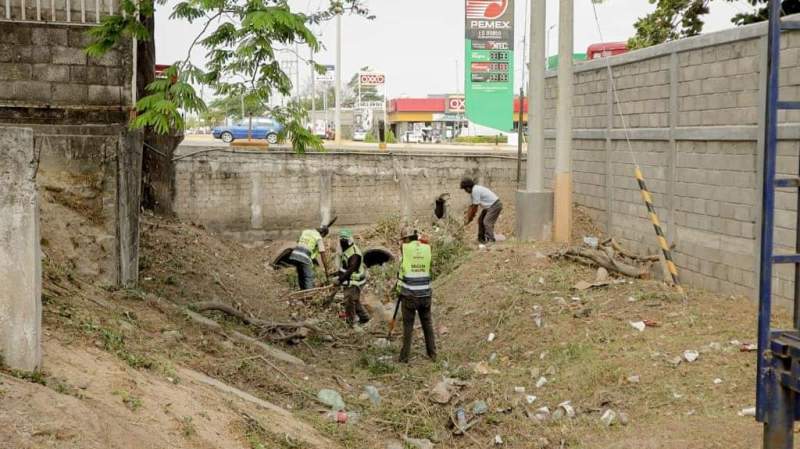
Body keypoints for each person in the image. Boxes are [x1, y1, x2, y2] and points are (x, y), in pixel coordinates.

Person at [396, 227, 436, 363]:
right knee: (427, 324)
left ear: (406, 239)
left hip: (410, 294)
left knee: (408, 326)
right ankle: (433, 354)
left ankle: (404, 357)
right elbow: (424, 242)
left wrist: (398, 291)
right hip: (425, 293)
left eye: (403, 239)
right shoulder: (426, 248)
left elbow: (403, 247)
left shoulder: (405, 249)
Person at [336, 229, 370, 326]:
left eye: (344, 241)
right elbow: (345, 266)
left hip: (355, 280)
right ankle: (365, 318)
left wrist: (340, 280)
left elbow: (351, 269)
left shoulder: (354, 253)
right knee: (355, 300)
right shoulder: (346, 249)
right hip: (349, 279)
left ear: (349, 240)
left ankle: (351, 322)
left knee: (349, 300)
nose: (342, 243)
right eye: (341, 240)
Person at [460, 177, 503, 243]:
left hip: (495, 205)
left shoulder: (475, 191)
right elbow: (471, 206)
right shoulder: (473, 191)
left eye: (465, 189)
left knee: (487, 222)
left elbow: (475, 208)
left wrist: (470, 219)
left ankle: (491, 240)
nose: (465, 191)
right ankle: (481, 239)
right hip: (489, 206)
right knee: (480, 220)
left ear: (468, 187)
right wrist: (467, 217)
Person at [288, 226, 330, 290]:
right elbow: (323, 256)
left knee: (301, 276)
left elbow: (298, 241)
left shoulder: (306, 231)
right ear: (323, 234)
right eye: (324, 236)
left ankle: (302, 294)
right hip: (304, 256)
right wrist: (327, 272)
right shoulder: (318, 238)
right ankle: (309, 296)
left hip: (295, 255)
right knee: (308, 277)